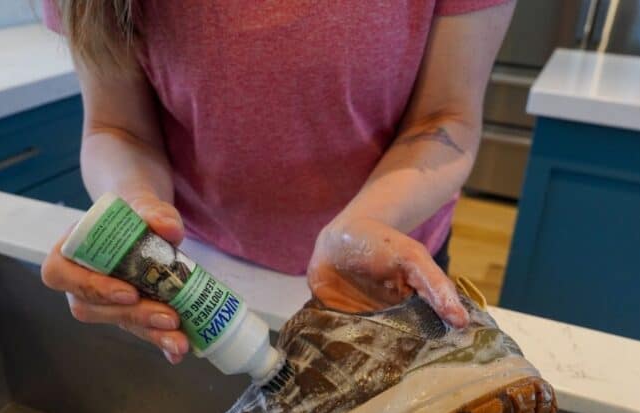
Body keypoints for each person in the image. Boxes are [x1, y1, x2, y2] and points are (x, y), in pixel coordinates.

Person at [40, 0, 517, 365]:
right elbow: (117, 129)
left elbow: (445, 117)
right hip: (200, 275)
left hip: (382, 263)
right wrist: (138, 215)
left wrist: (364, 222)